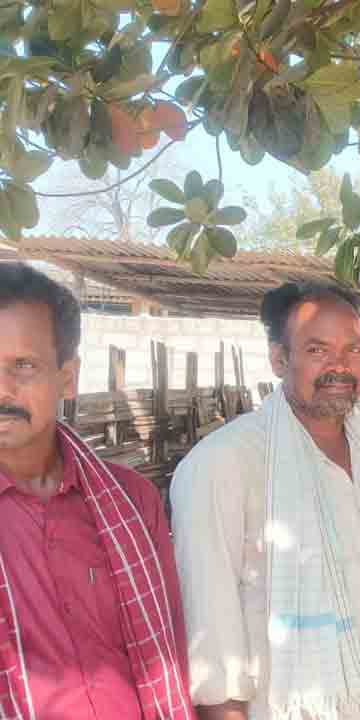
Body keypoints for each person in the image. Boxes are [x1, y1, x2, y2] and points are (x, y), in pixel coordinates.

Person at [170, 283, 360, 720]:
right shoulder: (223, 464)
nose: (340, 367)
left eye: (354, 350)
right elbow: (212, 632)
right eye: (318, 350)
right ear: (280, 359)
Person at [0, 264, 194, 720]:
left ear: (68, 377)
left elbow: (169, 652)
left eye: (22, 365)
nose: (2, 388)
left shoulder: (132, 501)